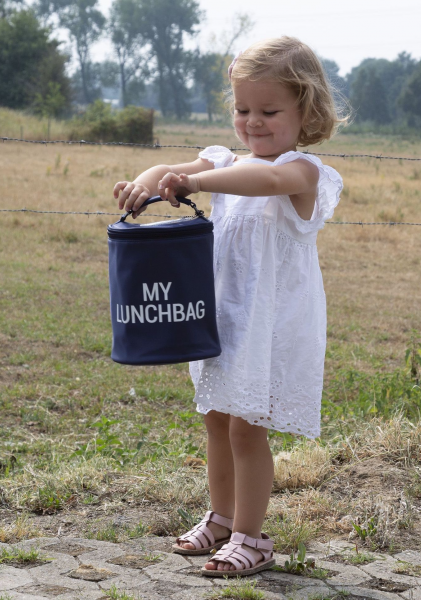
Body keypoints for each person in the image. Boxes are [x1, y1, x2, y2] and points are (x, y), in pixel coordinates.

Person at [112, 36, 346, 577]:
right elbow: (169, 169)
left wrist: (192, 181)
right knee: (216, 418)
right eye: (243, 109)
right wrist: (145, 186)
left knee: (247, 427)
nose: (253, 122)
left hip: (272, 323)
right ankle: (220, 518)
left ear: (305, 111)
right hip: (221, 315)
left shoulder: (304, 171)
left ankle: (252, 537)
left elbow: (265, 180)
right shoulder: (220, 160)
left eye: (269, 110)